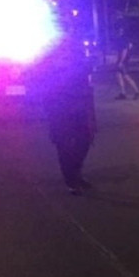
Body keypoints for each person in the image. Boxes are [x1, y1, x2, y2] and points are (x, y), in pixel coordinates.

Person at [40, 27, 97, 195]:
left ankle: (76, 173)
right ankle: (71, 180)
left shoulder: (79, 60)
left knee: (84, 142)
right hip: (60, 109)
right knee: (64, 146)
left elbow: (87, 84)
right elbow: (45, 86)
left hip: (79, 106)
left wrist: (91, 113)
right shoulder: (50, 63)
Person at [114, 24, 139, 100]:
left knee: (126, 76)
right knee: (119, 76)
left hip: (123, 61)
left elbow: (124, 51)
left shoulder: (122, 40)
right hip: (122, 60)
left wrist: (121, 62)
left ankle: (137, 92)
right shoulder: (124, 39)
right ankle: (123, 93)